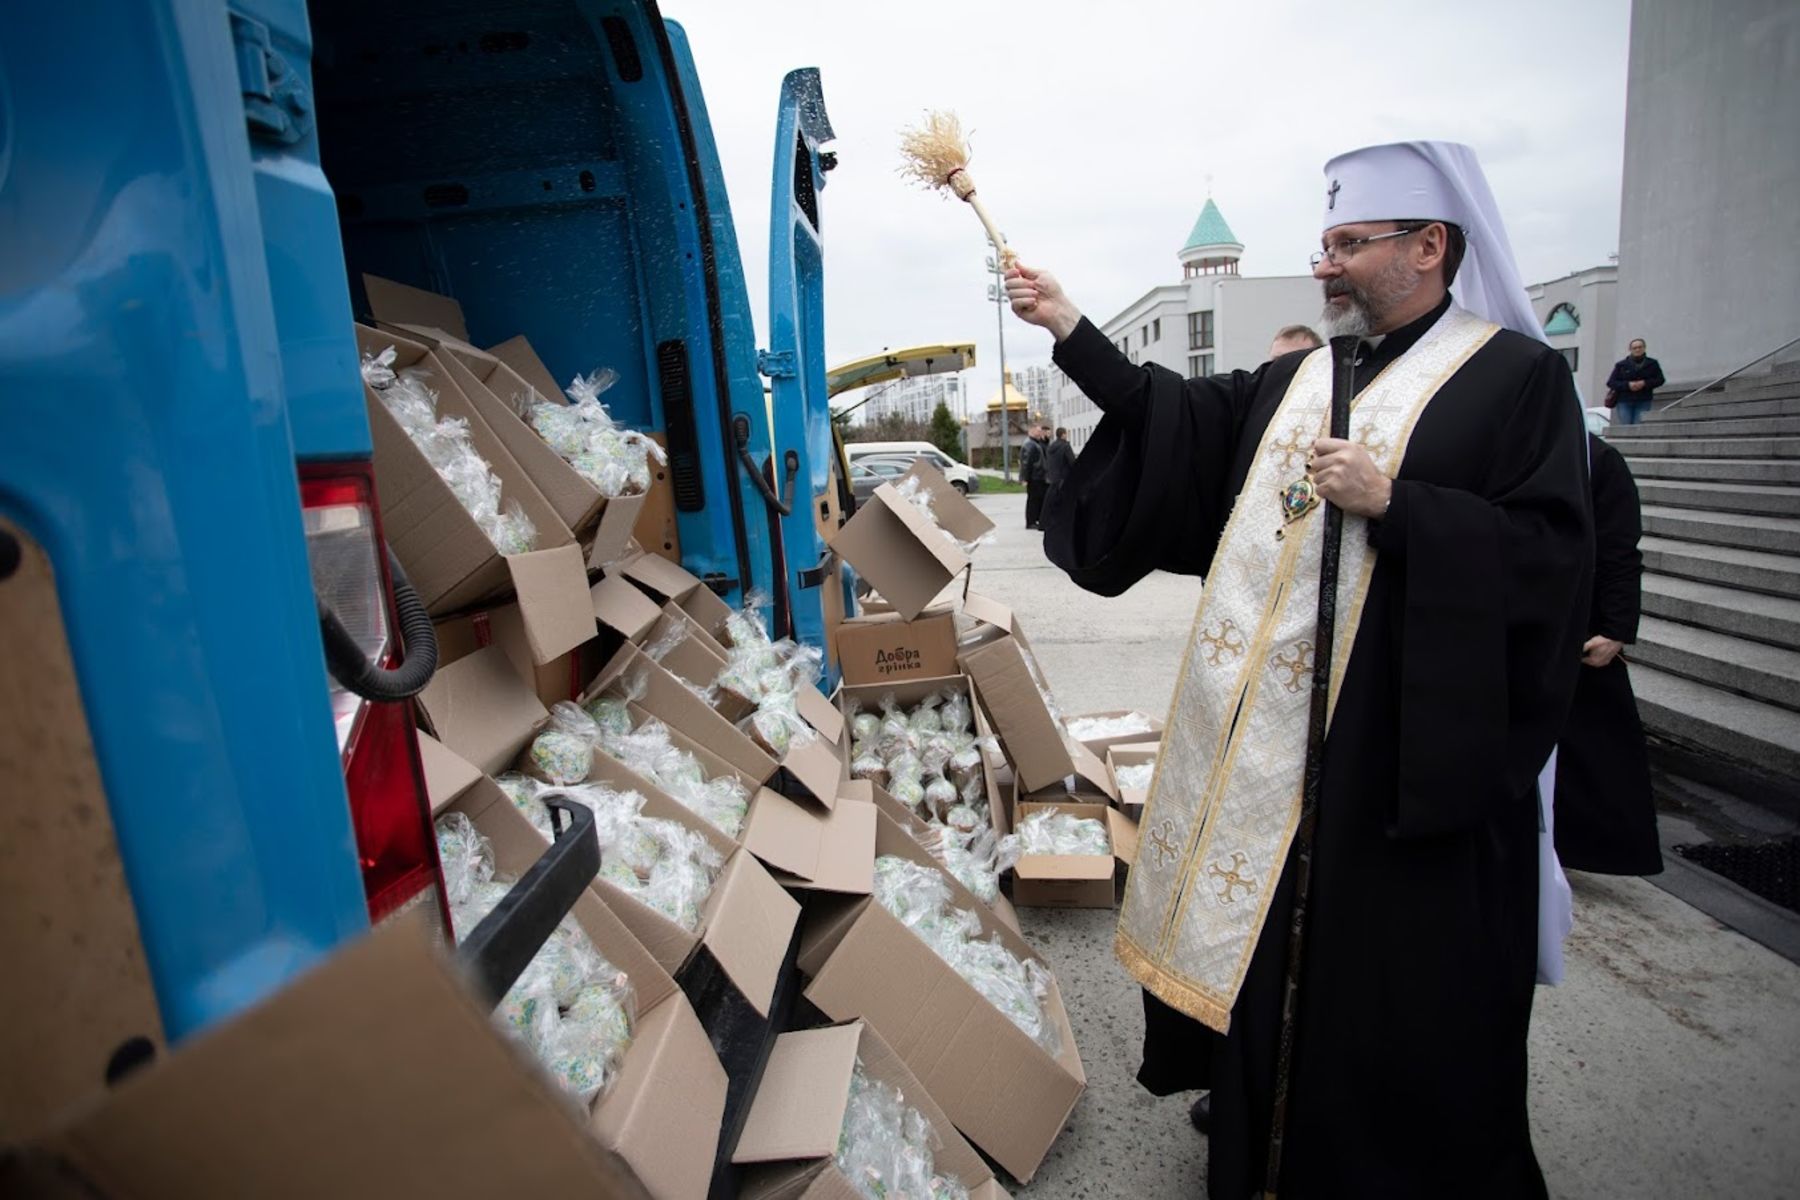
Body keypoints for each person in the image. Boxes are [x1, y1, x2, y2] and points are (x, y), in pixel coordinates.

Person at [1006, 140, 1592, 1198]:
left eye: (1350, 244)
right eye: (1322, 244)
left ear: (1429, 246)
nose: (1326, 264)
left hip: (1400, 766)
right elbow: (1177, 424)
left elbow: (1552, 559)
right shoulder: (1302, 378)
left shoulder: (1516, 379)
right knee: (1271, 970)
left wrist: (1399, 506)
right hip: (1272, 769)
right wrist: (1069, 329)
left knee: (1384, 997)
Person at [1555, 412, 1661, 875]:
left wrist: (1616, 629)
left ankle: (1589, 849)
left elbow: (1620, 550)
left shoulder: (1600, 460)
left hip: (1583, 629)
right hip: (1530, 623)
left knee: (1593, 749)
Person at [1607, 338, 1665, 425]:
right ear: (1630, 350)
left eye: (1640, 347)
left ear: (1644, 348)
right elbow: (1611, 382)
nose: (1637, 350)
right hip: (1624, 400)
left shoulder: (1652, 363)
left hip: (1643, 400)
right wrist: (1628, 385)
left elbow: (1660, 380)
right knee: (1625, 426)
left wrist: (1645, 383)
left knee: (1638, 426)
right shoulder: (1621, 365)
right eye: (1635, 348)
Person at [1020, 423, 1050, 529]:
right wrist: (1025, 478)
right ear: (1031, 431)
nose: (1039, 433)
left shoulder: (1034, 443)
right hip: (1034, 477)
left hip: (1038, 476)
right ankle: (1031, 521)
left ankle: (1035, 519)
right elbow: (1026, 463)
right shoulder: (1030, 445)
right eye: (1037, 431)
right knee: (1033, 500)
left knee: (1038, 499)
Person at [1045, 426, 1077, 498]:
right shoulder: (1065, 446)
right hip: (1063, 477)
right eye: (1066, 434)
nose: (1067, 435)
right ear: (1063, 435)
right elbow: (1072, 461)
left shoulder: (1051, 446)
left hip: (1052, 477)